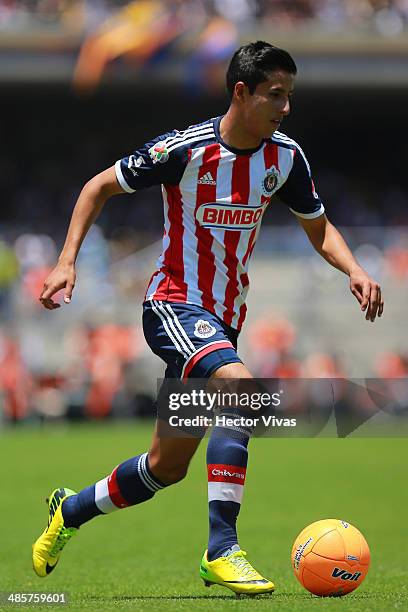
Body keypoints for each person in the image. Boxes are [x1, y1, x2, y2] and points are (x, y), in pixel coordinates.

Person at [32, 41, 384, 596]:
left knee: (163, 468)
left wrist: (354, 269)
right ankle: (222, 549)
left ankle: (68, 511)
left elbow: (317, 226)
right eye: (275, 95)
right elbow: (97, 186)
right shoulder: (185, 151)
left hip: (224, 321)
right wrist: (66, 260)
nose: (285, 107)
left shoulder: (285, 159)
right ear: (240, 93)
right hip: (173, 305)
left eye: (289, 96)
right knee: (241, 392)